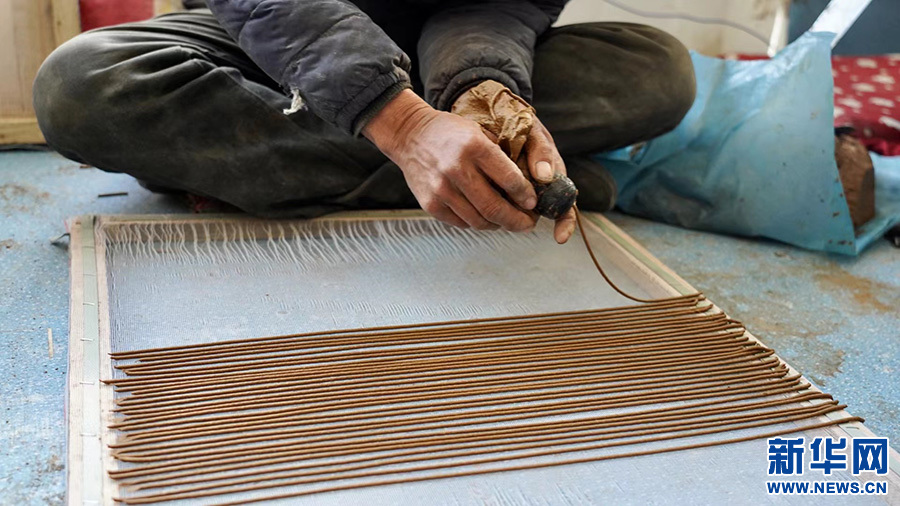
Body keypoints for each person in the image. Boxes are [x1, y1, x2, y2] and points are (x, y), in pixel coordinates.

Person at [33, 0, 696, 244]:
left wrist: (482, 87)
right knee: (81, 84)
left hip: (433, 60)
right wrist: (401, 125)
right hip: (280, 47)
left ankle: (263, 174)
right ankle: (474, 177)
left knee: (659, 70)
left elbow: (498, 6)